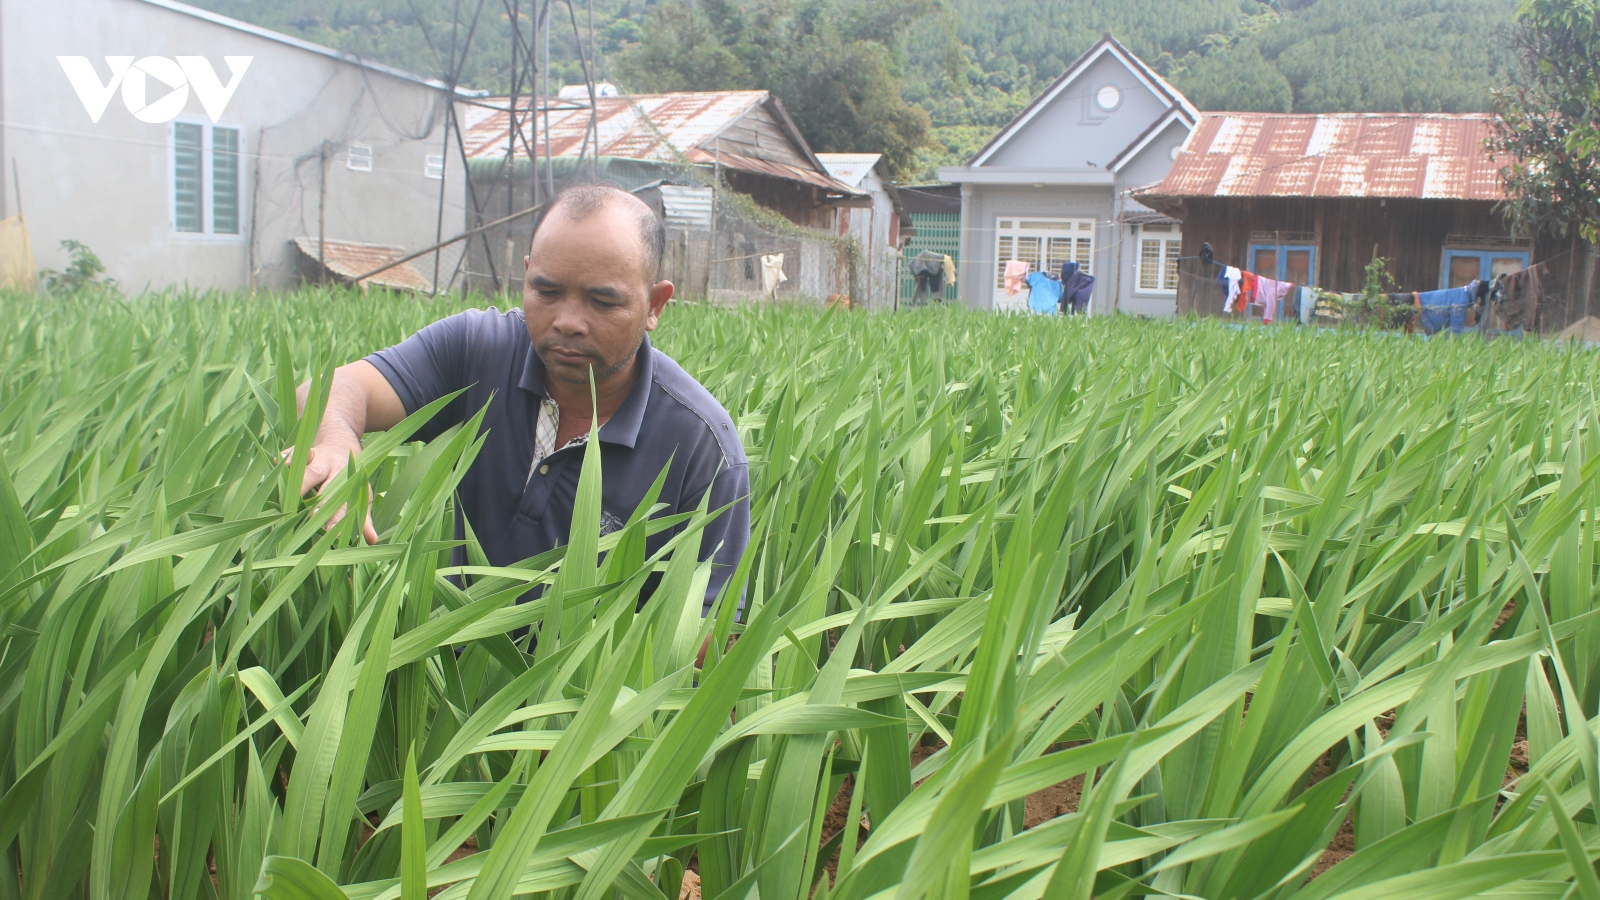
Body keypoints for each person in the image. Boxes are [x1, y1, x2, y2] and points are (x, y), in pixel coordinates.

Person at [292, 183, 751, 616]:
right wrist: (335, 444)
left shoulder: (700, 444)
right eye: (546, 291)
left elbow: (705, 636)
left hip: (583, 693)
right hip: (432, 669)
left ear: (655, 304)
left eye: (602, 302)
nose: (568, 321)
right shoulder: (478, 349)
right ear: (527, 274)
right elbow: (327, 391)